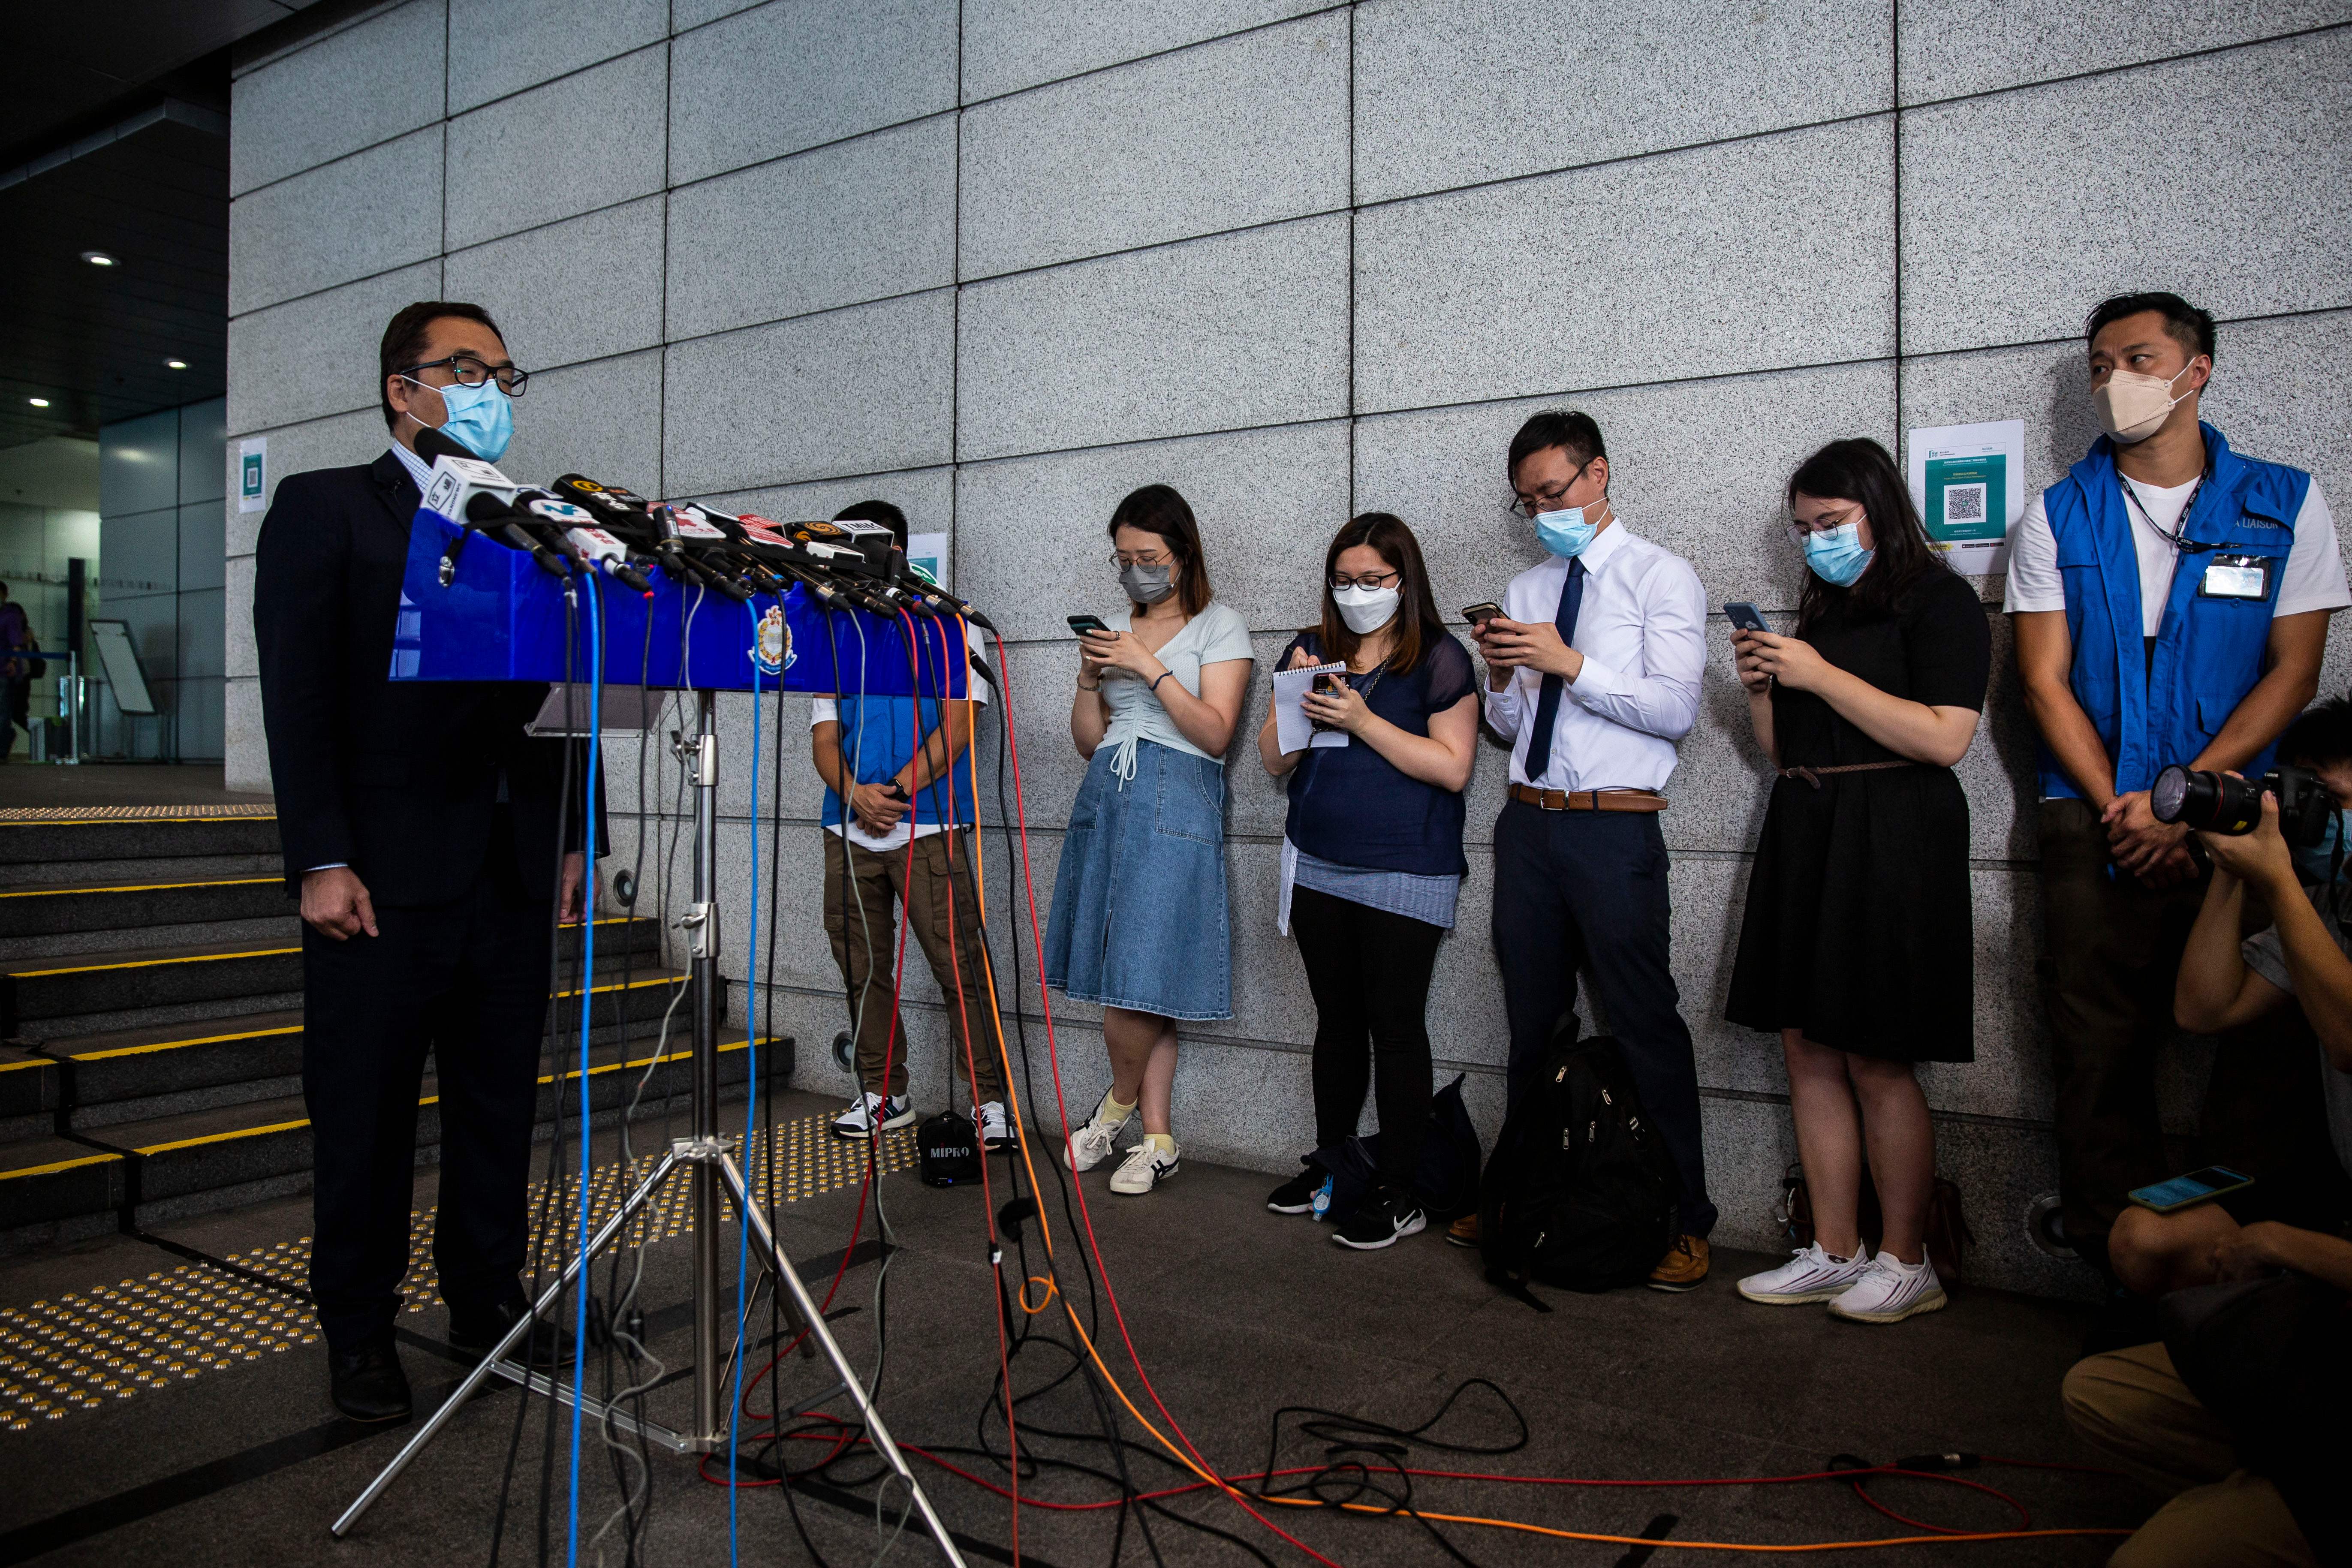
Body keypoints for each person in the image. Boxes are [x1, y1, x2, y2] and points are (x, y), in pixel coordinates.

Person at [254, 300, 602, 1422]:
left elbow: (567, 694)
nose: (489, 392)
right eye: (466, 371)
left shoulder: (527, 523)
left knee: (497, 1103)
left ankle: (487, 1303)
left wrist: (574, 840)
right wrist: (320, 856)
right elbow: (298, 697)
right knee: (363, 1117)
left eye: (504, 374)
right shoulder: (327, 511)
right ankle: (357, 1331)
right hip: (380, 876)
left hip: (507, 865)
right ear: (404, 387)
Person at [2007, 291, 2349, 1280]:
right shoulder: (2058, 513)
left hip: (2237, 810)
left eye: (2139, 357)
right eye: (2101, 364)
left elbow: (2293, 669)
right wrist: (2128, 802)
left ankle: (2241, 1275)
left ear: (2195, 370)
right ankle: (2119, 1271)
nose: (2116, 378)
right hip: (2093, 812)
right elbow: (2040, 678)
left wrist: (2188, 793)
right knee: (2094, 1049)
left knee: (2253, 1051)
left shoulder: (2281, 502)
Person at [2060, 730, 2352, 1567]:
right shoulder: (2329, 907)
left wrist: (2281, 1245)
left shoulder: (2315, 910)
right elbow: (2203, 1006)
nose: (2323, 823)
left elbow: (2348, 1039)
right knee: (2107, 1371)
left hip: (2322, 1247)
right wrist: (2235, 869)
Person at [1723, 439, 1990, 1323]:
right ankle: (1832, 1248)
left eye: (1830, 523)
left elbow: (1945, 736)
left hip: (1894, 831)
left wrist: (1818, 673)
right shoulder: (1827, 610)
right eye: (1803, 528)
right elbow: (1783, 748)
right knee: (1806, 1043)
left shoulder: (1941, 598)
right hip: (1810, 822)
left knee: (1876, 1050)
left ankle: (1906, 1256)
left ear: (1880, 507)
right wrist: (1766, 683)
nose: (1814, 542)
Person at [1460, 409, 1717, 1289]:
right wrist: (1502, 675)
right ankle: (1520, 1198)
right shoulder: (1526, 589)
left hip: (1615, 824)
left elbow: (1674, 708)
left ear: (1598, 475)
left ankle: (1687, 1215)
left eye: (1553, 491)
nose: (1541, 511)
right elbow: (1508, 728)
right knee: (1532, 1022)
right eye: (1527, 501)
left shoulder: (1661, 576)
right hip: (1528, 822)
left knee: (1643, 1018)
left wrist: (1570, 663)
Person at [1257, 513, 1479, 1250]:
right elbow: (1274, 760)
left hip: (1406, 869)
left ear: (1404, 581)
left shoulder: (1440, 658)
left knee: (1396, 1022)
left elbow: (1452, 767)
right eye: (1344, 580)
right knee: (1338, 1021)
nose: (1356, 593)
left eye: (1372, 580)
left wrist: (1360, 718)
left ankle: (1400, 1189)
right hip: (1318, 861)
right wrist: (1295, 697)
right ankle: (1335, 1165)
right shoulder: (1314, 648)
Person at [1045, 484, 1253, 1195]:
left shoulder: (1220, 626)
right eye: (1124, 557)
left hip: (1178, 796)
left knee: (1136, 971)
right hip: (1108, 793)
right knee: (1139, 974)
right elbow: (1088, 742)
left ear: (1182, 554)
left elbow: (1216, 733)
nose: (1136, 569)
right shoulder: (1112, 626)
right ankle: (1158, 1140)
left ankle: (1114, 1106)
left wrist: (1147, 666)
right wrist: (1085, 677)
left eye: (1149, 556)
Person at [808, 499, 1009, 1148]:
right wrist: (856, 796)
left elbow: (960, 726)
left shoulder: (949, 623)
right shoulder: (832, 625)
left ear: (891, 550)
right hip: (849, 832)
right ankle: (882, 1093)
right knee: (862, 967)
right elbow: (823, 739)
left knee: (960, 966)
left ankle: (990, 1103)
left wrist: (892, 792)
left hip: (928, 829)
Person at [0, 582, 32, 760]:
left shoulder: (10, 616)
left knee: (5, 712)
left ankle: (2, 749)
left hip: (6, 672)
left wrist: (12, 661)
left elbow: (16, 643)